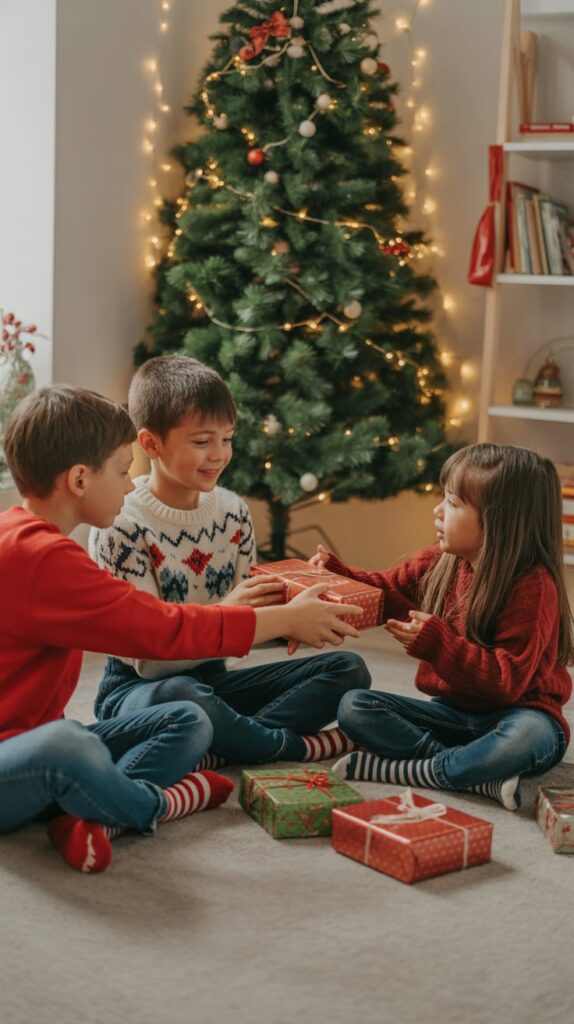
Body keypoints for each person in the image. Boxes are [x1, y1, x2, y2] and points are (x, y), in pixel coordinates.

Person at [0, 385, 363, 873]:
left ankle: (99, 808)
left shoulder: (31, 539)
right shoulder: (38, 557)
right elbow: (156, 630)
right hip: (27, 753)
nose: (130, 486)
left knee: (186, 720)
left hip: (26, 743)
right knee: (69, 743)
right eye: (121, 471)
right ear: (80, 479)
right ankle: (162, 802)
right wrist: (279, 620)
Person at [89, 355, 371, 768]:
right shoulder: (121, 523)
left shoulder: (233, 513)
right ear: (150, 444)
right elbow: (148, 663)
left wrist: (298, 614)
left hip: (214, 686)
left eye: (228, 438)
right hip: (140, 692)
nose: (219, 454)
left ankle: (222, 745)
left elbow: (246, 631)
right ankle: (282, 747)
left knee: (349, 671)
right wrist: (232, 615)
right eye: (202, 442)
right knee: (181, 695)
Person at [323, 443, 574, 810]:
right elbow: (387, 590)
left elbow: (506, 682)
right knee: (354, 706)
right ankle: (470, 776)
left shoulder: (533, 586)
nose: (438, 511)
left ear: (498, 521)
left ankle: (418, 770)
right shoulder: (442, 561)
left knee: (529, 738)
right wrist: (337, 575)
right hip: (453, 714)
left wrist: (439, 645)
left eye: (454, 504)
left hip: (518, 713)